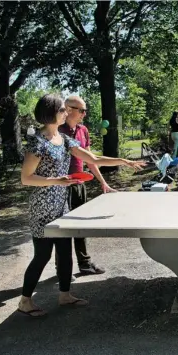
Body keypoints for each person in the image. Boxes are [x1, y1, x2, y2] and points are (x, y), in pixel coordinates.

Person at [18, 94, 145, 317]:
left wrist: (122, 161)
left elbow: (92, 159)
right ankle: (25, 301)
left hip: (61, 205)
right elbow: (26, 178)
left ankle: (65, 295)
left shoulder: (64, 140)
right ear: (51, 113)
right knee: (43, 256)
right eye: (61, 110)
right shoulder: (38, 142)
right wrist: (58, 180)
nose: (65, 112)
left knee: (66, 253)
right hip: (42, 208)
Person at [55, 95, 114, 280]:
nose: (84, 114)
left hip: (80, 185)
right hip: (62, 186)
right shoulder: (57, 130)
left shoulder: (83, 130)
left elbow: (90, 160)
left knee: (80, 226)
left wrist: (102, 182)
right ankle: (62, 268)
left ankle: (85, 264)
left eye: (85, 110)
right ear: (69, 109)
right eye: (81, 110)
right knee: (63, 228)